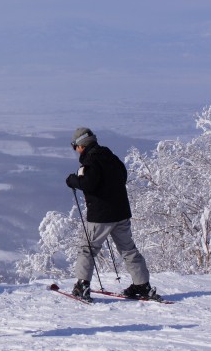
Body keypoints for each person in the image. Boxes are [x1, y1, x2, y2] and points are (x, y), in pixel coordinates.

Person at [65, 127, 158, 301]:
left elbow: (89, 184)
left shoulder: (91, 160)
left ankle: (82, 286)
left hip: (101, 216)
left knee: (88, 249)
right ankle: (142, 285)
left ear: (81, 145)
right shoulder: (110, 156)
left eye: (74, 146)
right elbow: (123, 176)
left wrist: (73, 180)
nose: (75, 150)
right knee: (128, 250)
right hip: (121, 212)